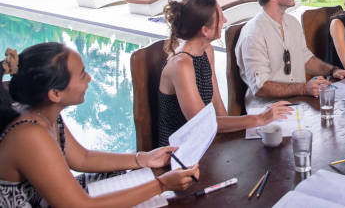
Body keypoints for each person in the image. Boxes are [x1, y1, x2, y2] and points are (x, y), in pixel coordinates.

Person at [0, 43, 198, 208]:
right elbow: (79, 206)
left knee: (121, 174)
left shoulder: (45, 114)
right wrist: (162, 185)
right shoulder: (29, 135)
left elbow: (82, 158)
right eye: (82, 74)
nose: (90, 78)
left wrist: (143, 158)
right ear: (55, 94)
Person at [158, 0, 293, 147]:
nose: (225, 21)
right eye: (220, 17)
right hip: (180, 152)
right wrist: (260, 118)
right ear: (205, 30)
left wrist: (231, 140)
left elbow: (216, 101)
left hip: (205, 141)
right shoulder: (181, 65)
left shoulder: (206, 50)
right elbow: (201, 124)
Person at [236, 0, 345, 110]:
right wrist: (304, 89)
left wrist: (333, 71)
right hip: (268, 113)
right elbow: (261, 87)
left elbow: (306, 58)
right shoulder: (253, 34)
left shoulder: (292, 23)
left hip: (300, 105)